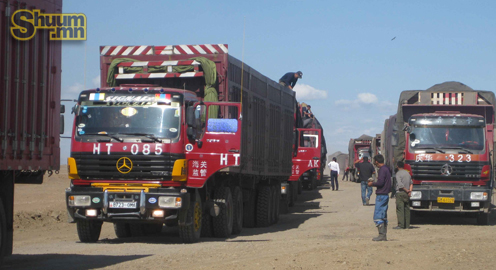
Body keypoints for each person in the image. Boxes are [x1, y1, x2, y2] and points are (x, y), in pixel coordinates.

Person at [367, 154, 391, 241]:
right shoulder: (387, 169)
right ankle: (384, 235)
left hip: (381, 195)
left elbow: (380, 183)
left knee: (378, 215)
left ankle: (381, 235)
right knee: (383, 215)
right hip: (385, 195)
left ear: (376, 161)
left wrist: (372, 184)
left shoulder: (382, 170)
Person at [393, 161, 413, 229]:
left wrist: (406, 190)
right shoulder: (407, 173)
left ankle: (401, 225)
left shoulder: (398, 174)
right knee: (407, 209)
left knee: (400, 209)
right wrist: (409, 191)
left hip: (400, 192)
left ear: (397, 166)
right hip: (406, 193)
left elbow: (400, 185)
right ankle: (407, 225)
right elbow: (411, 183)